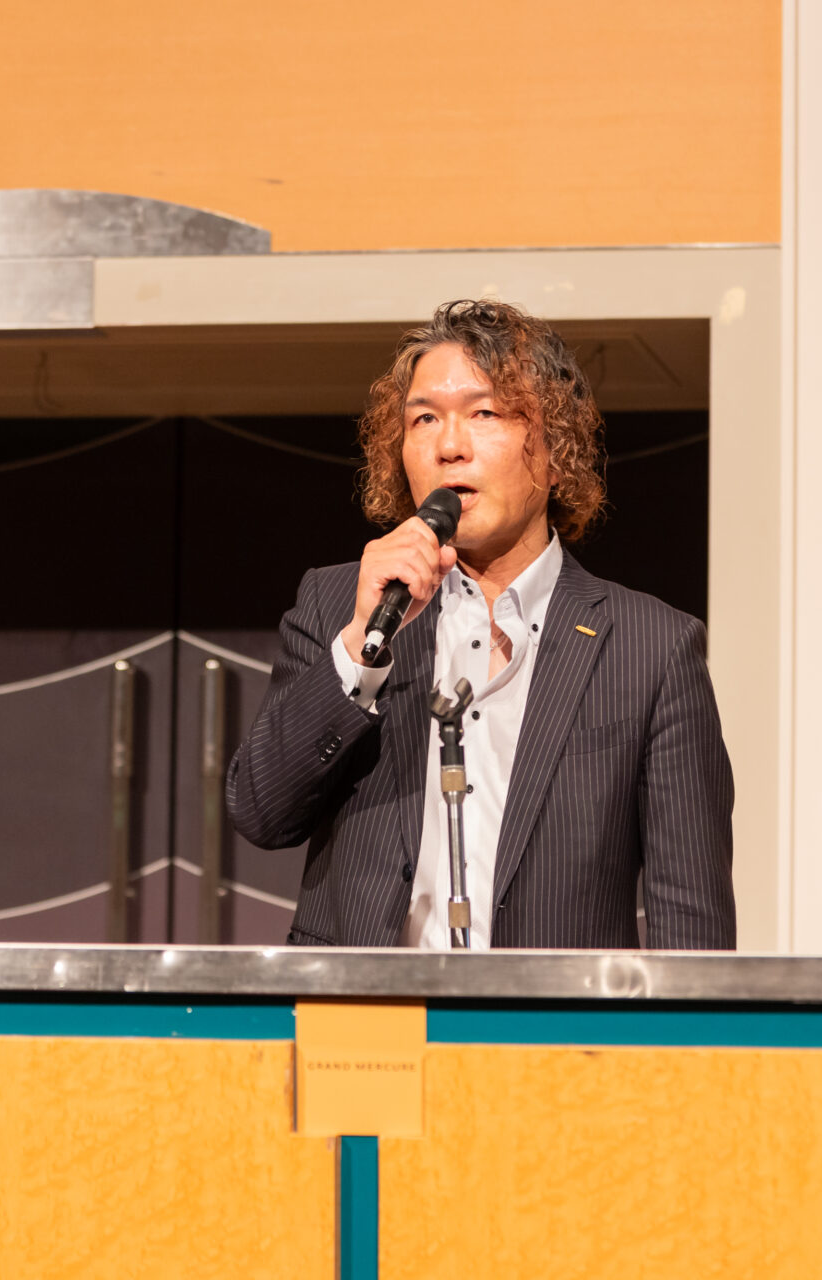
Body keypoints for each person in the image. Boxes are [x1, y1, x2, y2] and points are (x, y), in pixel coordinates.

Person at [227, 300, 735, 949]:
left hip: (546, 1014)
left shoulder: (652, 648)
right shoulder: (338, 604)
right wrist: (360, 647)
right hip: (364, 1011)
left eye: (484, 413)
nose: (448, 446)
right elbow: (260, 812)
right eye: (424, 419)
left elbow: (691, 923)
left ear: (556, 450)